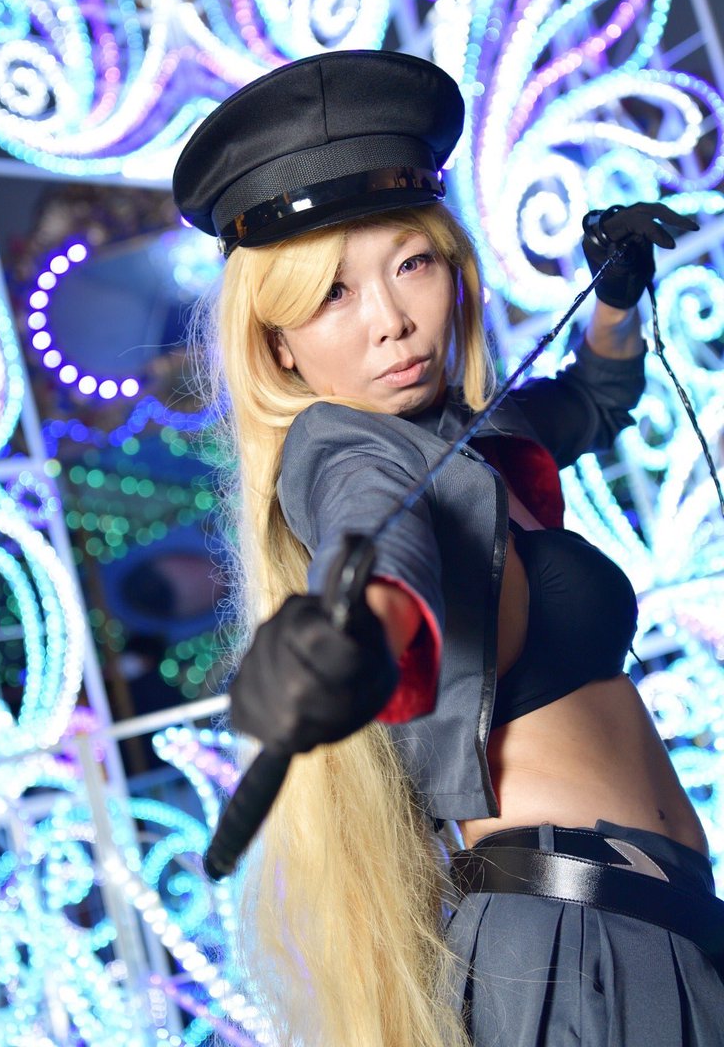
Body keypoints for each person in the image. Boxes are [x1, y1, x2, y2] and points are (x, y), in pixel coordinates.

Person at [173, 50, 724, 1047]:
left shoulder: (483, 434)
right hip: (577, 951)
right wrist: (351, 636)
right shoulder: (342, 450)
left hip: (657, 924)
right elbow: (379, 544)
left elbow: (595, 397)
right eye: (332, 294)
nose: (390, 322)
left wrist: (614, 296)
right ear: (279, 345)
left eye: (409, 265)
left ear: (451, 270)